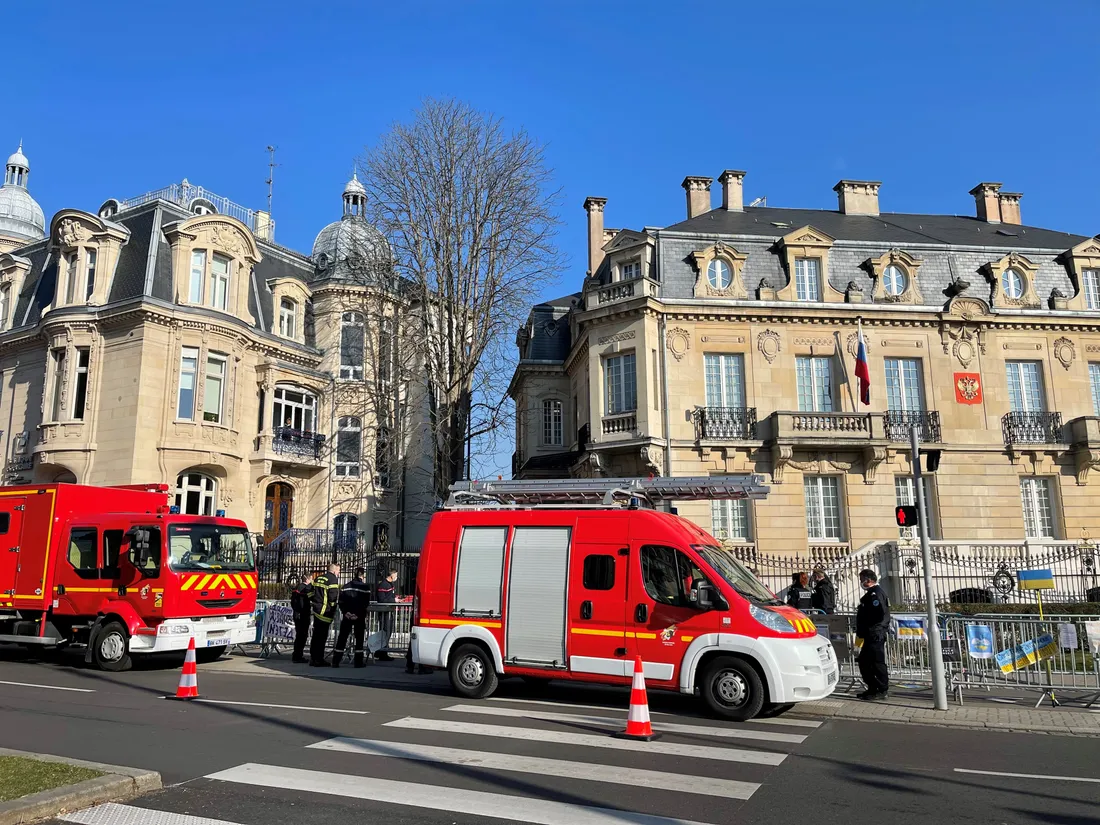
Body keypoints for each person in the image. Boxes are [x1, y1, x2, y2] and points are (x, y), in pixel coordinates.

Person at [855, 568, 891, 700]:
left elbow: (879, 614)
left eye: (862, 580)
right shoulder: (871, 593)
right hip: (870, 634)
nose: (861, 582)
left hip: (875, 634)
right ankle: (872, 688)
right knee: (864, 662)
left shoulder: (875, 593)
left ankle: (881, 689)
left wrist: (873, 627)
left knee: (877, 662)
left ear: (868, 580)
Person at [332, 567, 371, 668]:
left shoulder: (345, 586)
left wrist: (346, 612)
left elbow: (341, 601)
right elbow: (365, 603)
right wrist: (357, 614)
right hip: (359, 617)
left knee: (342, 638)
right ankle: (358, 662)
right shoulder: (365, 588)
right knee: (359, 639)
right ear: (363, 575)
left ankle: (336, 661)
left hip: (347, 616)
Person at [309, 562, 341, 666]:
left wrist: (315, 602)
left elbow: (310, 592)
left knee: (316, 635)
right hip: (325, 612)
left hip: (316, 610)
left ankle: (313, 658)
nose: (339, 573)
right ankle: (319, 659)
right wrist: (333, 607)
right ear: (334, 571)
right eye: (338, 571)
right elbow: (333, 597)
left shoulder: (318, 578)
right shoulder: (333, 580)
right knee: (322, 637)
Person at [374, 568, 398, 661]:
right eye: (396, 575)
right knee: (385, 632)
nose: (396, 577)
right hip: (384, 612)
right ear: (392, 575)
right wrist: (393, 600)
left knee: (388, 631)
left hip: (389, 610)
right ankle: (382, 652)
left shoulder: (390, 584)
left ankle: (381, 651)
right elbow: (382, 599)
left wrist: (395, 599)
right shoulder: (383, 584)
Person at [289, 572, 314, 664]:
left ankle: (297, 655)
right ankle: (298, 656)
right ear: (307, 579)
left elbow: (293, 602)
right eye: (311, 579)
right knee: (302, 636)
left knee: (299, 635)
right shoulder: (305, 588)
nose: (312, 581)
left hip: (297, 614)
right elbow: (309, 598)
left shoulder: (297, 587)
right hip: (302, 614)